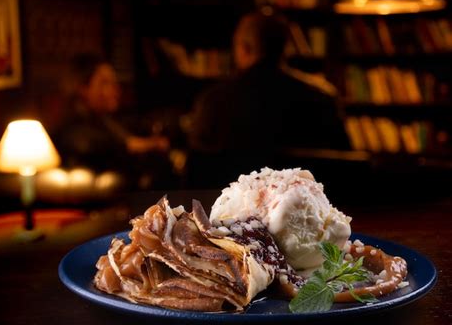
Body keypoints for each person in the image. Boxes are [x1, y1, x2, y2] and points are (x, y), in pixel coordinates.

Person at [185, 10, 351, 188]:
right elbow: (344, 168)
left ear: (244, 48)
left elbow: (196, 172)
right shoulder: (322, 98)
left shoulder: (215, 100)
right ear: (285, 47)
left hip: (233, 211)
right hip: (306, 210)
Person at [52, 53, 172, 190]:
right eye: (105, 83)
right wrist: (152, 145)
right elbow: (118, 146)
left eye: (114, 82)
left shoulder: (107, 120)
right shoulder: (74, 128)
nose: (115, 88)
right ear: (83, 88)